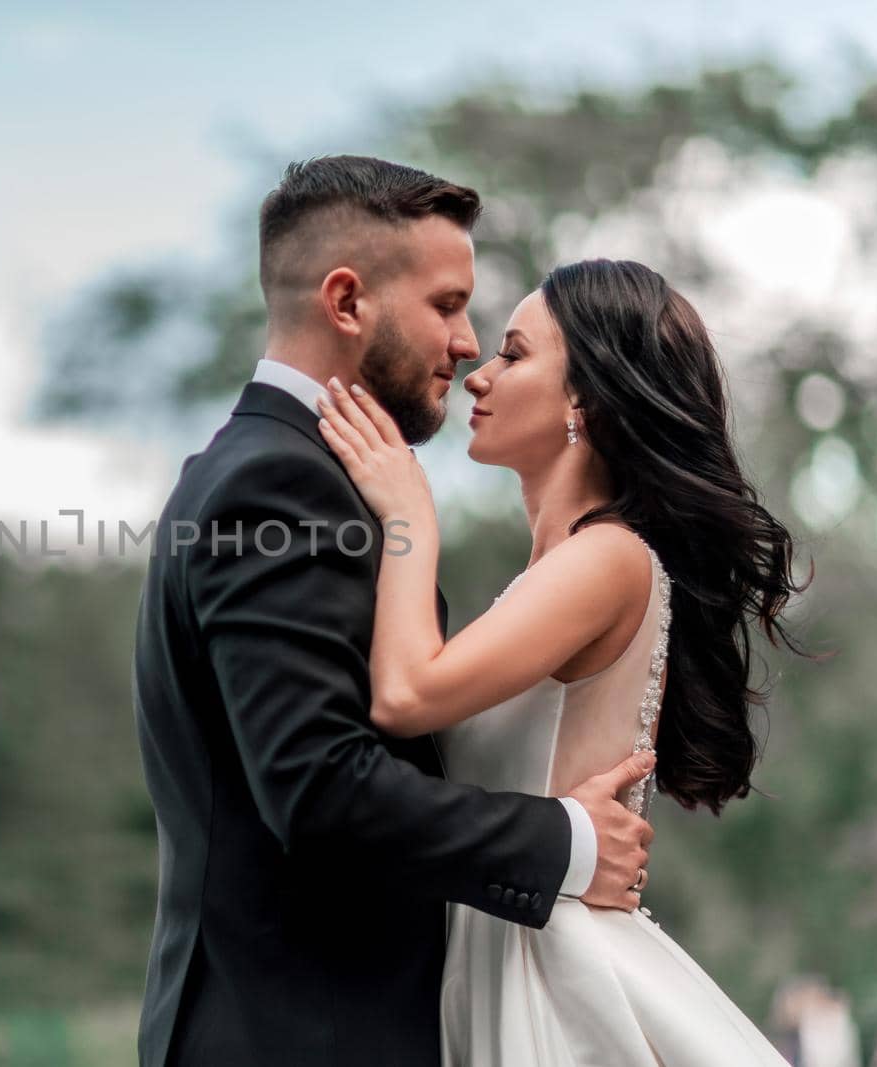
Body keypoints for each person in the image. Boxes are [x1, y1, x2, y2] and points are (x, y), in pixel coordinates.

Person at [131, 155, 655, 1067]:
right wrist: (565, 840)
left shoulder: (269, 472)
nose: (467, 343)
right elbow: (319, 787)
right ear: (346, 303)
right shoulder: (278, 485)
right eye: (448, 305)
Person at [316, 256, 806, 1064]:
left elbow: (404, 693)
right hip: (501, 951)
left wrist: (409, 514)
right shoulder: (557, 574)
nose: (479, 373)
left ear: (583, 396)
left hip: (553, 980)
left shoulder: (606, 559)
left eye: (514, 353)